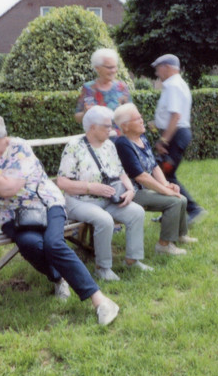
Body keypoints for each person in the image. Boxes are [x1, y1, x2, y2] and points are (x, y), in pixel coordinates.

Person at [0, 110, 119, 326]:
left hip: (45, 205)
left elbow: (7, 188)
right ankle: (57, 277)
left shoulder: (18, 149)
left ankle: (101, 302)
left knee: (53, 244)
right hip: (12, 217)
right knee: (29, 244)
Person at [56, 106, 152, 282]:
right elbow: (62, 183)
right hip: (79, 201)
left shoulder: (109, 146)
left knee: (137, 212)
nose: (112, 130)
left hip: (108, 199)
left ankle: (132, 260)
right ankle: (103, 268)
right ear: (92, 127)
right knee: (104, 220)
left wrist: (130, 190)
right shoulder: (74, 147)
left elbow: (121, 172)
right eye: (107, 126)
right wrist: (90, 187)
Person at [113, 103, 196, 256]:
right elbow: (141, 176)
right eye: (137, 118)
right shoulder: (123, 144)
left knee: (181, 197)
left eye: (140, 117)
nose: (142, 120)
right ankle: (164, 245)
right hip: (131, 191)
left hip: (143, 188)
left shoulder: (142, 138)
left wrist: (167, 185)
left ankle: (180, 235)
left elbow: (154, 167)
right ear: (125, 126)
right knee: (174, 201)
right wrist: (166, 192)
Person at [151, 54, 207, 224]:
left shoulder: (173, 86)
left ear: (167, 67)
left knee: (166, 175)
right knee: (163, 175)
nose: (156, 72)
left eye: (158, 67)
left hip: (175, 135)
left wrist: (164, 140)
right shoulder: (177, 84)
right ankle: (170, 210)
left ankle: (193, 209)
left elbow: (176, 115)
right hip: (176, 133)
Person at [74, 48, 131, 127]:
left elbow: (132, 114)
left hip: (119, 137)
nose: (113, 70)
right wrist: (85, 113)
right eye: (109, 67)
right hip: (97, 137)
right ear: (97, 68)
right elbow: (77, 117)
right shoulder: (88, 88)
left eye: (115, 67)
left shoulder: (121, 87)